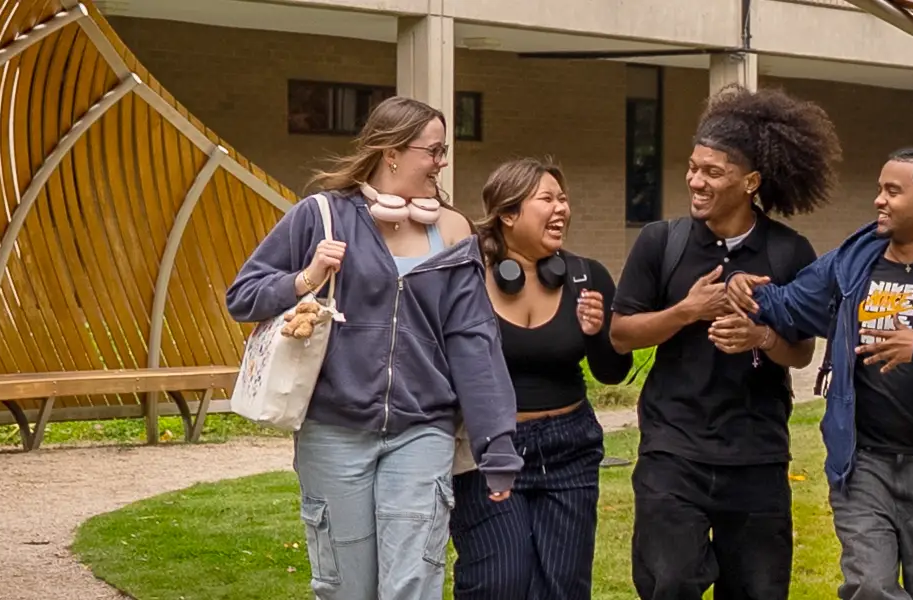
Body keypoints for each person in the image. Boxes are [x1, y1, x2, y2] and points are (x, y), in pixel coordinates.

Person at [225, 96, 520, 600]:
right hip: (333, 430)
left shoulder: (453, 231)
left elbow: (474, 341)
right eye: (433, 151)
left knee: (412, 584)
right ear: (392, 153)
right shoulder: (321, 216)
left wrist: (496, 445)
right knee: (347, 588)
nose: (442, 162)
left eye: (443, 151)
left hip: (423, 427)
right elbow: (242, 296)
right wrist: (307, 277)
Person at [726, 148, 913, 600]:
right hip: (862, 465)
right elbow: (789, 306)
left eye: (893, 191)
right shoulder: (850, 266)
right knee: (868, 585)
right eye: (880, 189)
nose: (879, 200)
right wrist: (744, 288)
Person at [609, 84, 842, 600]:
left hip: (756, 456)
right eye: (693, 168)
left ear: (751, 182)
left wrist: (761, 336)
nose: (696, 181)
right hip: (673, 451)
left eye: (712, 172)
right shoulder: (661, 242)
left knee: (758, 591)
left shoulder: (788, 252)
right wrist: (687, 311)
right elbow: (621, 334)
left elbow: (801, 350)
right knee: (670, 583)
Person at [449, 158, 631, 600]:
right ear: (508, 214)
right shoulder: (467, 278)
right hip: (491, 449)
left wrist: (597, 333)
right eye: (547, 199)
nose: (561, 209)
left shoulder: (586, 276)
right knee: (498, 580)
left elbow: (612, 373)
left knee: (562, 587)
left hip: (570, 448)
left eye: (563, 199)